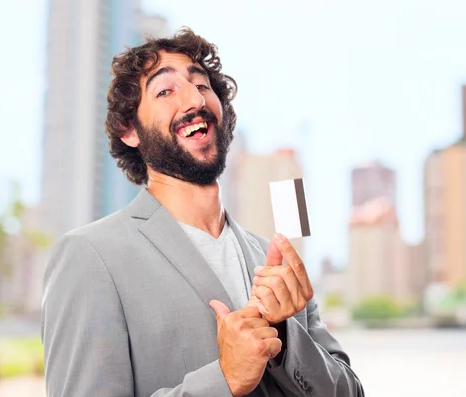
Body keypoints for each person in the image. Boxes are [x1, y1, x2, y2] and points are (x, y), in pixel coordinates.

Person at [41, 27, 364, 397]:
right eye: (165, 91)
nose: (194, 99)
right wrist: (223, 380)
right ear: (129, 130)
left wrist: (286, 339)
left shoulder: (272, 260)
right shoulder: (89, 256)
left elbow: (349, 391)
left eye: (202, 85)